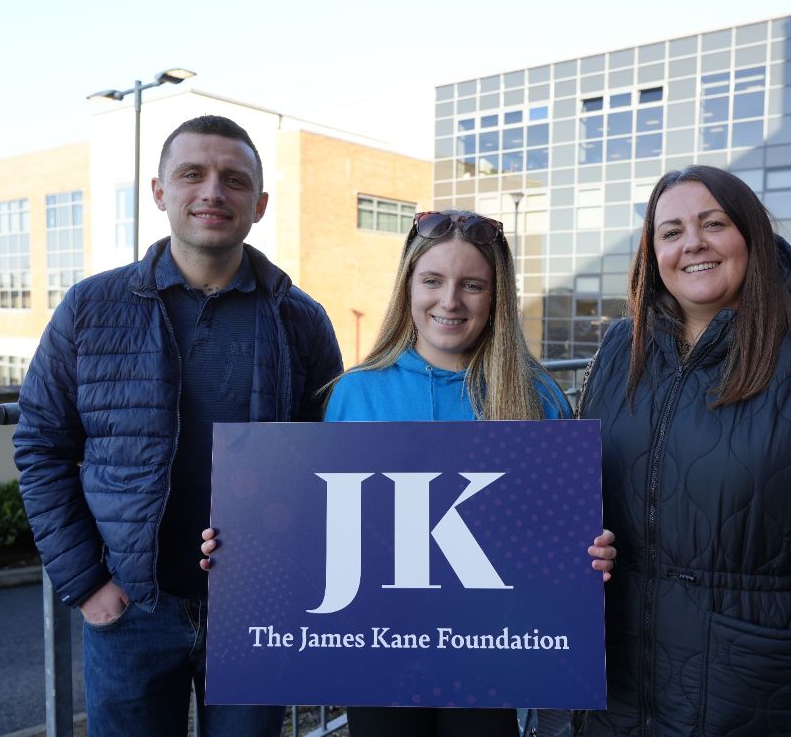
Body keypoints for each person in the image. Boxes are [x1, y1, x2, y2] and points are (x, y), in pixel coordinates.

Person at [201, 209, 616, 736]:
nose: (450, 301)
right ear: (408, 287)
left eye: (473, 285)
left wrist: (592, 551)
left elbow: (556, 532)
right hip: (378, 655)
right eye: (433, 281)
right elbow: (317, 526)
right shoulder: (355, 393)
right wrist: (244, 548)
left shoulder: (537, 398)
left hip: (489, 658)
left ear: (496, 298)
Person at [13, 114, 342, 736]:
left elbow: (327, 461)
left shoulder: (301, 319)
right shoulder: (90, 309)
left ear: (260, 203)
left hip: (257, 609)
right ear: (161, 192)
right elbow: (40, 447)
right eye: (192, 174)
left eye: (234, 179)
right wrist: (89, 585)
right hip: (133, 608)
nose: (212, 191)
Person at [576, 165, 791, 737]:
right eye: (671, 231)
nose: (693, 244)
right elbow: (582, 496)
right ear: (652, 251)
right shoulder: (619, 349)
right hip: (621, 693)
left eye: (714, 223)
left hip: (760, 691)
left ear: (753, 236)